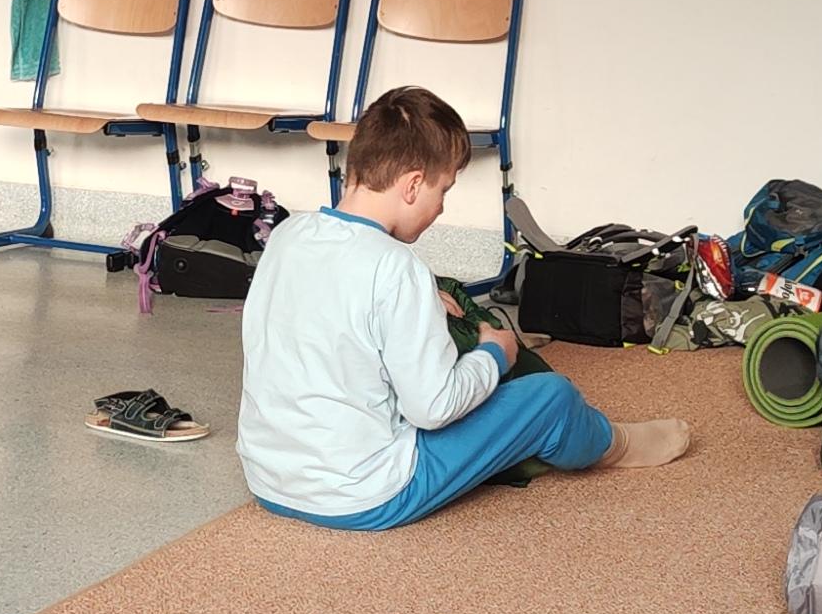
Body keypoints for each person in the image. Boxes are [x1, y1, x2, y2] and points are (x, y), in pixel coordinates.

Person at [239, 89, 691, 531]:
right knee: (551, 397)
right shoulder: (397, 268)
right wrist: (495, 354)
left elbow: (330, 293)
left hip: (268, 479)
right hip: (363, 495)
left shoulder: (289, 235)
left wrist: (422, 297)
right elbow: (433, 408)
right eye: (443, 189)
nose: (441, 207)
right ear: (413, 185)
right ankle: (614, 444)